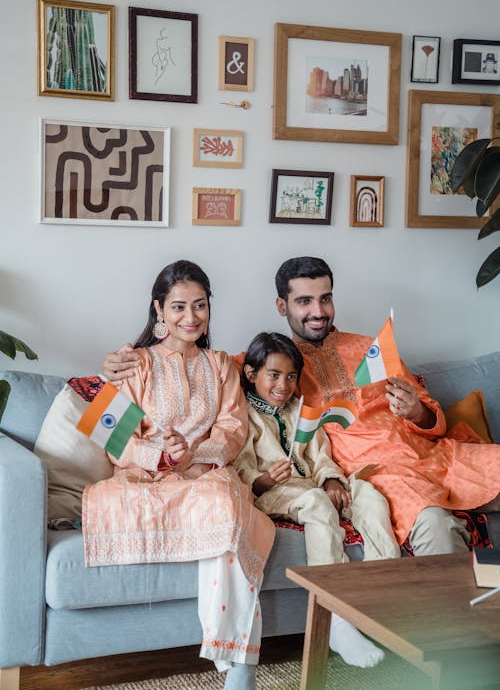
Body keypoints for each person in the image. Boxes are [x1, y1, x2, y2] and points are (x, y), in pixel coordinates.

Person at [83, 260, 275, 690]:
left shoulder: (221, 364)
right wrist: (161, 456)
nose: (191, 318)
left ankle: (238, 671)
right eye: (179, 307)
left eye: (201, 306)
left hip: (204, 474)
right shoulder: (134, 362)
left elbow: (233, 428)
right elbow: (109, 433)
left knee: (225, 508)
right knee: (122, 500)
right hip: (147, 476)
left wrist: (192, 456)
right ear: (158, 310)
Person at [271, 256, 500, 555]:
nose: (318, 312)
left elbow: (432, 416)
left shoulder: (371, 347)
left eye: (325, 299)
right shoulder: (276, 367)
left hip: (436, 457)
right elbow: (221, 376)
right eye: (304, 301)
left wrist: (417, 411)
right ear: (281, 306)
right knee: (435, 525)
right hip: (381, 474)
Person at [234, 331, 400, 667]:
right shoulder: (241, 413)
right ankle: (336, 620)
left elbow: (321, 453)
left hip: (312, 484)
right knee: (316, 503)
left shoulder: (301, 410)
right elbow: (240, 468)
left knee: (368, 493)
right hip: (276, 491)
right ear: (252, 374)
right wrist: (263, 480)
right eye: (274, 375)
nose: (284, 384)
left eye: (291, 376)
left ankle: (381, 594)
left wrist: (333, 480)